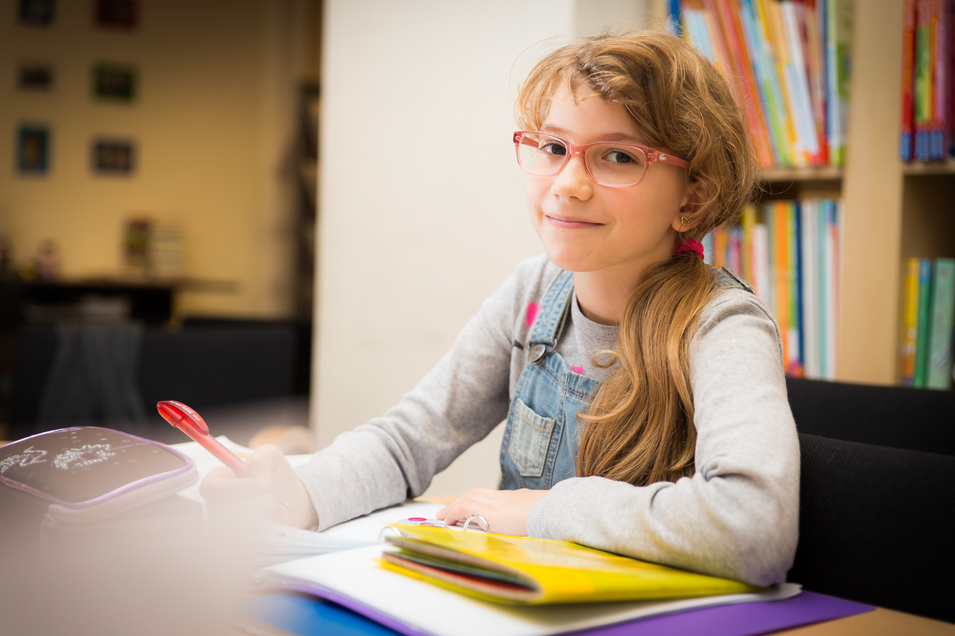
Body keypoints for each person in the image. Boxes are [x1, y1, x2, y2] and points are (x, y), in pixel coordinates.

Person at [200, 29, 799, 587]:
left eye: (618, 157)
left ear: (692, 197)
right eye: (554, 146)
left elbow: (754, 527)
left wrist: (545, 510)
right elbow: (407, 440)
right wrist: (300, 490)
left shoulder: (722, 325)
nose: (568, 182)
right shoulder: (534, 292)